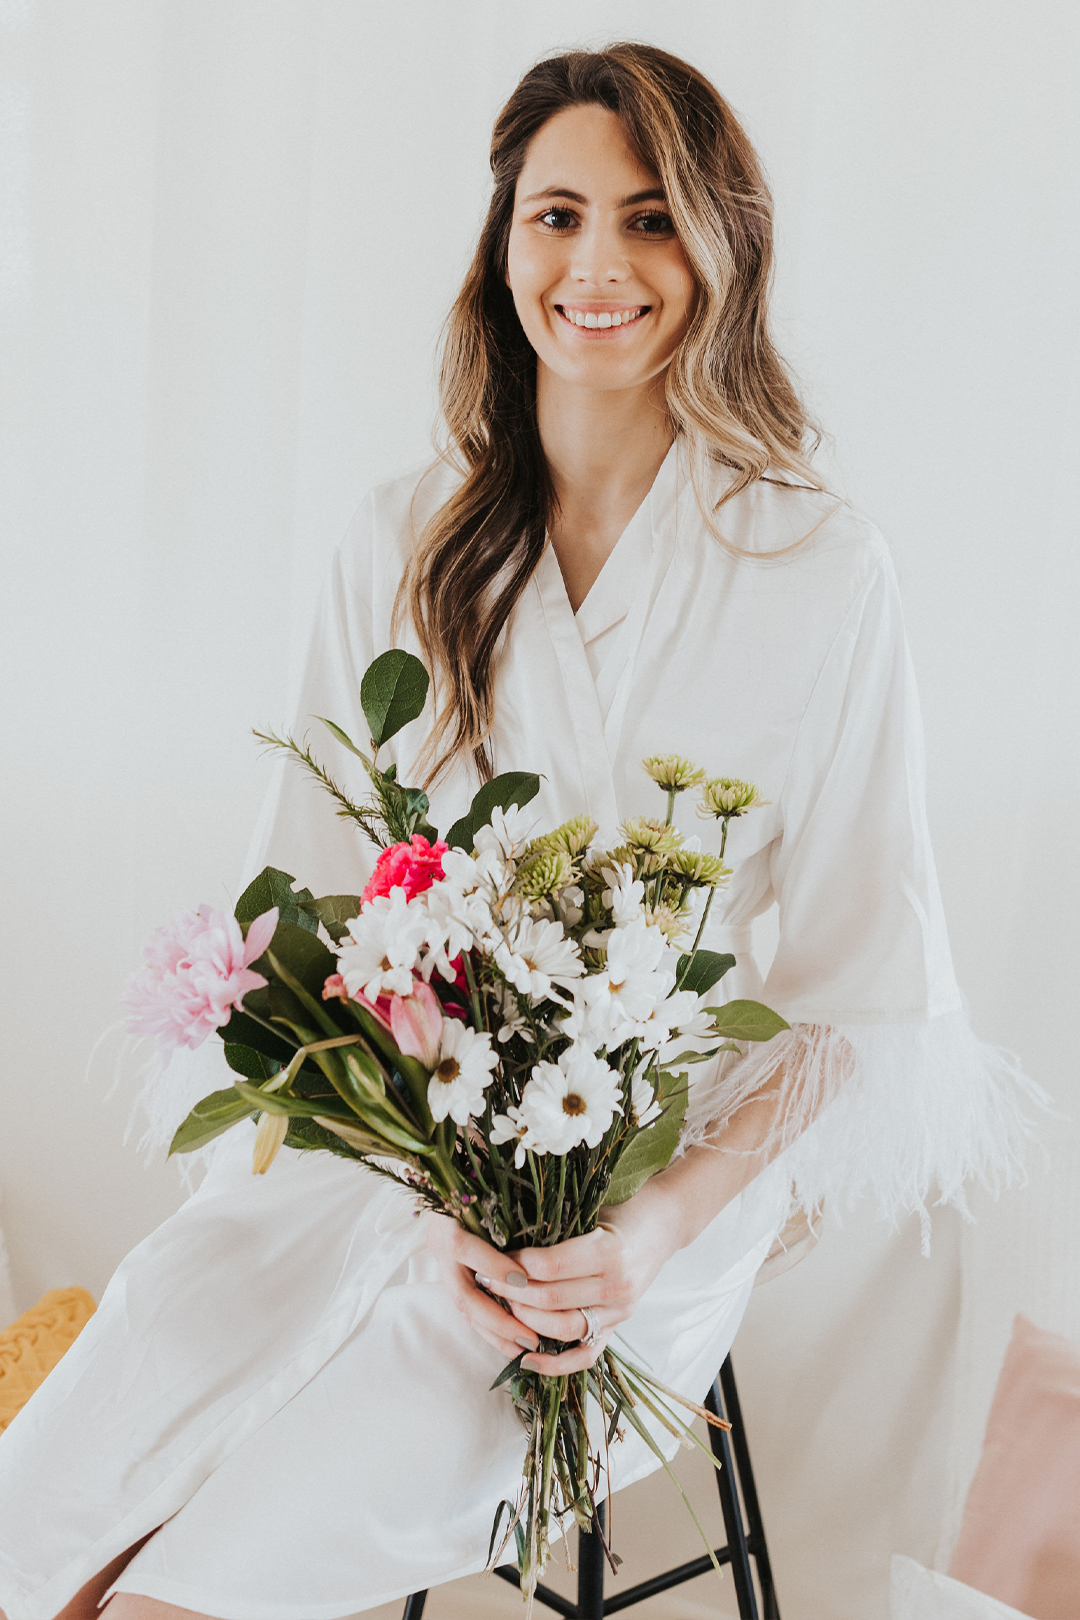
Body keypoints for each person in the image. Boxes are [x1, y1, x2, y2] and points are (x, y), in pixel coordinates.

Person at [0, 42, 1039, 1620]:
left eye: (649, 217)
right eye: (556, 215)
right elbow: (313, 926)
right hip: (378, 1163)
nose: (599, 265)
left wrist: (648, 1229)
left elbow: (855, 996)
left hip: (643, 1207)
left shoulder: (820, 571)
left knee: (206, 1574)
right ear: (502, 247)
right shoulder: (407, 545)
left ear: (720, 245)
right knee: (69, 1497)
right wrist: (416, 1137)